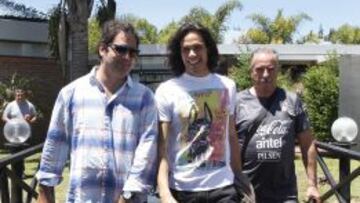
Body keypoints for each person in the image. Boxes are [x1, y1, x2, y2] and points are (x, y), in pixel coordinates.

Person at [36, 20, 158, 203]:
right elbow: (55, 146)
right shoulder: (71, 94)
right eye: (121, 49)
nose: (127, 57)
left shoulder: (145, 98)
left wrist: (128, 196)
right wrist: (45, 191)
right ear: (102, 49)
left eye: (133, 52)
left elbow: (147, 151)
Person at [155, 23, 241, 203]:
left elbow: (232, 136)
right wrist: (164, 193)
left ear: (208, 49)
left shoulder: (227, 86)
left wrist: (239, 177)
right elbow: (161, 148)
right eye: (186, 49)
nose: (192, 54)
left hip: (223, 188)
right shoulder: (167, 90)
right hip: (183, 190)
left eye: (197, 47)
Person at [235, 47, 321, 203]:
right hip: (246, 193)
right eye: (259, 69)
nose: (266, 74)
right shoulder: (236, 102)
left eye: (271, 69)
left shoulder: (292, 101)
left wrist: (312, 184)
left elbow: (308, 145)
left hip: (284, 194)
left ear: (278, 71)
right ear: (251, 71)